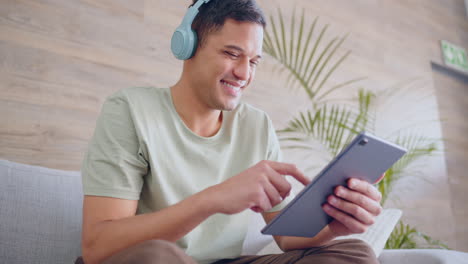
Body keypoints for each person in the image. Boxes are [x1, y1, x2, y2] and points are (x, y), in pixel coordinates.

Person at [77, 0, 383, 263]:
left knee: (355, 254)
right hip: (155, 260)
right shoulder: (130, 109)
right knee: (157, 256)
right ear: (189, 45)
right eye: (231, 54)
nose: (244, 73)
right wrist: (213, 199)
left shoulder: (257, 126)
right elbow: (97, 247)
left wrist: (335, 225)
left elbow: (286, 238)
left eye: (253, 61)